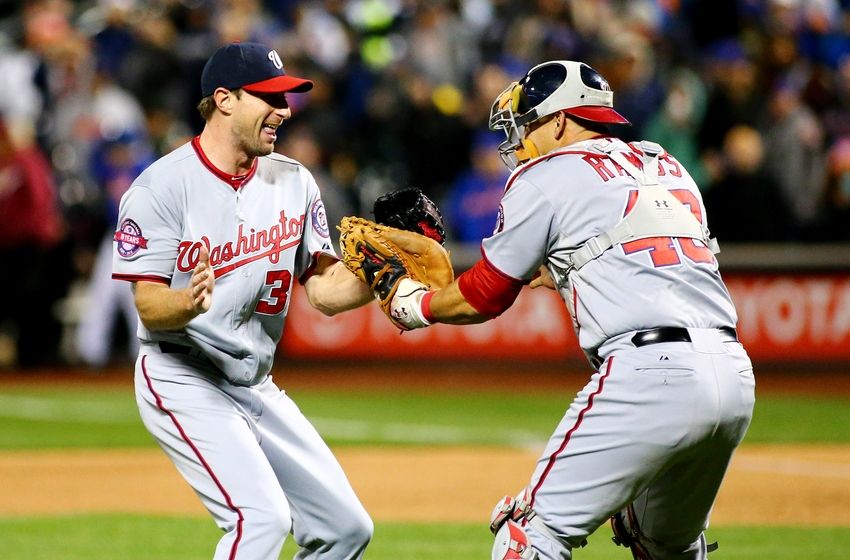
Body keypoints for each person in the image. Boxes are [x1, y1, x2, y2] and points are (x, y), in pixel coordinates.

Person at [384, 60, 755, 559]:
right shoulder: (667, 165)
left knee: (529, 534)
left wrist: (417, 305)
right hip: (733, 374)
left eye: (527, 124)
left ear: (559, 121)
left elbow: (485, 294)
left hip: (648, 373)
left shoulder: (547, 171)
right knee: (666, 542)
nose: (519, 141)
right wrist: (563, 270)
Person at [111, 42, 375, 560]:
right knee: (259, 519)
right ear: (225, 100)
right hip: (182, 374)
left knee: (346, 529)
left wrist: (378, 278)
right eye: (270, 97)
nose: (285, 109)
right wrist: (188, 302)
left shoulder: (294, 181)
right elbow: (148, 305)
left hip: (255, 382)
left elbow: (323, 292)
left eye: (287, 97)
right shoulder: (162, 186)